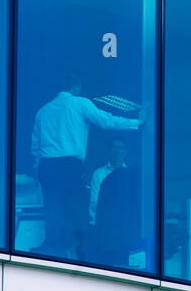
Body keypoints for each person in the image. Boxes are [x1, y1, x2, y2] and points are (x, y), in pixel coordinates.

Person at [31, 76, 146, 258]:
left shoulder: (42, 111)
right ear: (76, 86)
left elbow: (35, 147)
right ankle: (78, 249)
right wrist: (136, 123)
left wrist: (38, 171)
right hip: (69, 165)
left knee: (52, 207)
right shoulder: (80, 103)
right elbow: (105, 121)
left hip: (47, 165)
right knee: (77, 208)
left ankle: (53, 246)